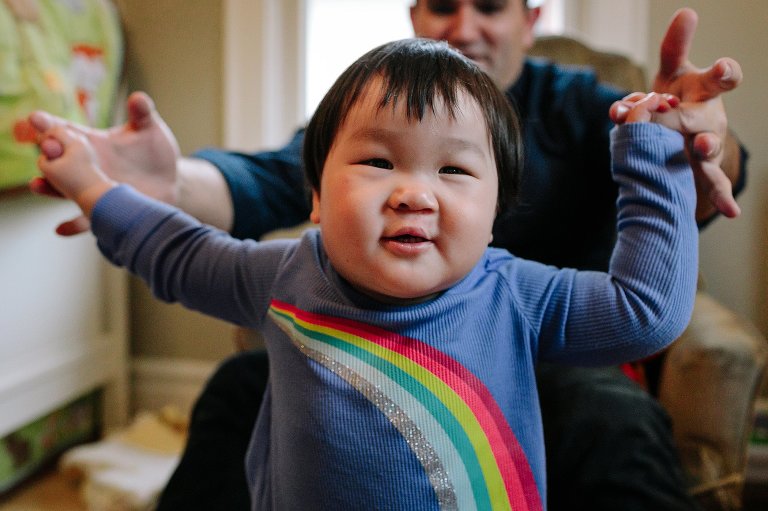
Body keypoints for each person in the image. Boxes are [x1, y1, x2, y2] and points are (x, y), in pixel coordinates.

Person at [22, 2, 746, 510]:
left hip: (556, 358)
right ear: (316, 193)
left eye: (454, 170)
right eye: (377, 162)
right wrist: (111, 186)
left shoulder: (584, 110)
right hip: (332, 364)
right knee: (239, 385)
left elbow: (648, 305)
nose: (413, 193)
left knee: (613, 420)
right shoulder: (294, 258)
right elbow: (185, 244)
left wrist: (668, 146)